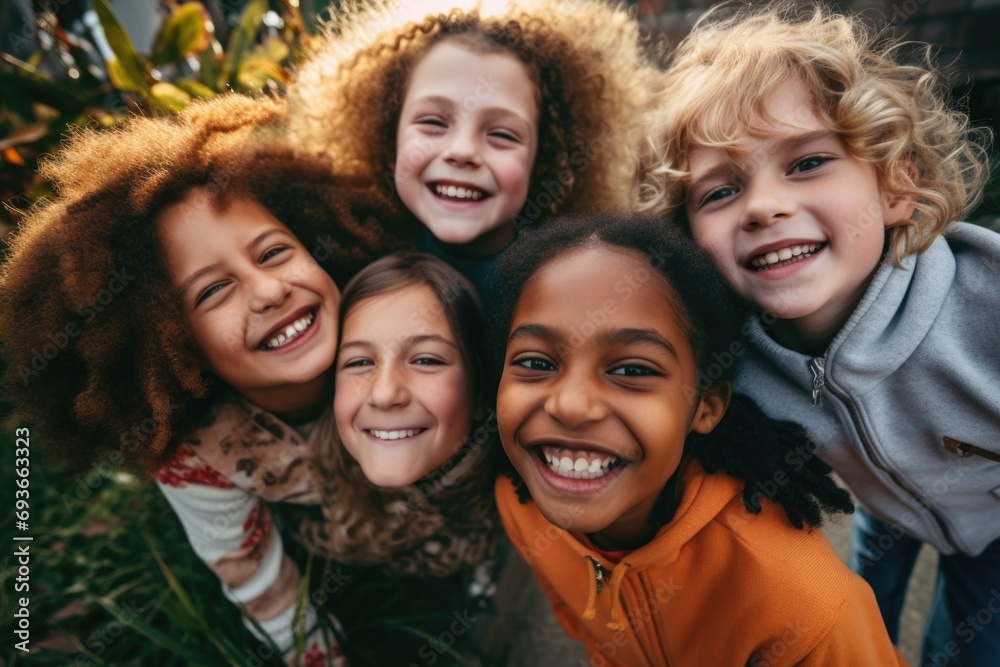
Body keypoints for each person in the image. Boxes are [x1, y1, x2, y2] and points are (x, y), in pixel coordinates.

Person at [641, 3, 998, 664]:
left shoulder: (987, 306)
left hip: (992, 525)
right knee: (861, 616)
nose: (763, 205)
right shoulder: (727, 363)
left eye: (805, 163)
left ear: (896, 185)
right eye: (720, 191)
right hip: (885, 509)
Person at [0, 93, 392, 665]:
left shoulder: (397, 324)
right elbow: (256, 578)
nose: (269, 291)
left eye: (275, 252)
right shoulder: (197, 456)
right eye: (213, 291)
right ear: (171, 340)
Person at [491, 213, 905, 666]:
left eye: (632, 370)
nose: (570, 405)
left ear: (705, 406)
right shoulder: (519, 505)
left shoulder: (803, 603)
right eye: (535, 362)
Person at [288, 0, 657, 300]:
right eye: (433, 123)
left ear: (542, 162)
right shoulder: (348, 265)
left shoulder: (569, 283)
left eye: (502, 134)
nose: (462, 151)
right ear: (389, 142)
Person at [300, 251, 498, 577]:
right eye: (359, 362)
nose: (385, 393)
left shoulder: (526, 497)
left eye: (426, 360)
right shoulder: (299, 507)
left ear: (479, 394)